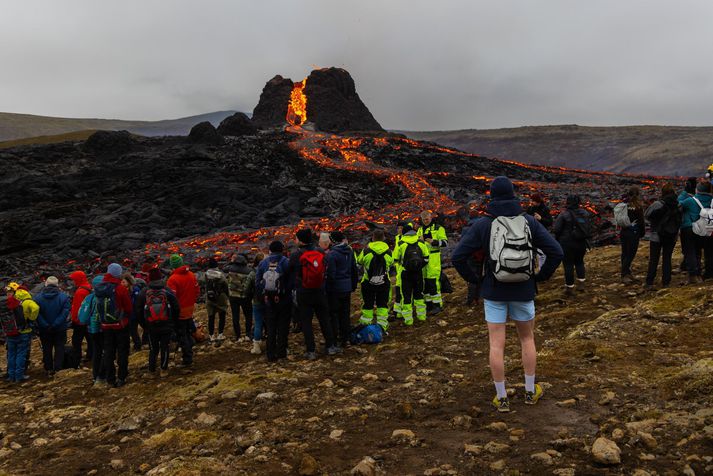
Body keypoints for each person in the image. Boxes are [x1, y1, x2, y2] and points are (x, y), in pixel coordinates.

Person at [452, 176, 563, 413]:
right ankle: (530, 391)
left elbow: (457, 256)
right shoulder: (530, 222)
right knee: (527, 339)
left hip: (494, 291)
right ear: (513, 194)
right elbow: (556, 251)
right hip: (524, 289)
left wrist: (476, 280)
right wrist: (539, 277)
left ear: (492, 196)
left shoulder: (484, 224)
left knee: (496, 345)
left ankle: (501, 397)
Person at [287, 229, 340, 360]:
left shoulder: (296, 255)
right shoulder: (320, 251)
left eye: (296, 238)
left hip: (303, 292)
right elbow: (326, 268)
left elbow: (290, 273)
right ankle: (330, 346)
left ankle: (311, 351)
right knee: (324, 319)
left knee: (306, 322)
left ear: (300, 240)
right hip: (320, 291)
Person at [135, 267, 180, 377]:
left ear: (149, 279)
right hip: (166, 324)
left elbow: (138, 310)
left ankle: (151, 371)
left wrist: (144, 325)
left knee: (153, 349)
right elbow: (176, 307)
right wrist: (173, 322)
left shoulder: (144, 292)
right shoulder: (167, 290)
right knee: (165, 347)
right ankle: (164, 370)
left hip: (151, 326)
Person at [95, 264, 133, 387]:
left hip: (106, 325)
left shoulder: (100, 287)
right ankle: (121, 377)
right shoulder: (120, 289)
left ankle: (110, 378)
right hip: (121, 325)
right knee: (122, 350)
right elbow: (128, 307)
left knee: (108, 351)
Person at [256, 241, 290, 361]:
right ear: (282, 250)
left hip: (268, 300)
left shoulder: (263, 263)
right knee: (283, 326)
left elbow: (258, 282)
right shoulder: (286, 261)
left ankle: (270, 353)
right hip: (284, 299)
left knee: (270, 326)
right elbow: (290, 280)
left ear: (270, 250)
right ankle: (281, 352)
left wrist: (264, 295)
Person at [645, 183, 682, 288]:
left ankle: (649, 282)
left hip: (656, 235)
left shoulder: (658, 204)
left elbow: (647, 215)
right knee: (667, 258)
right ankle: (666, 282)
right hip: (671, 235)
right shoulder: (678, 205)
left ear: (663, 192)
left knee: (654, 259)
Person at [392, 223, 430, 325]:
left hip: (406, 273)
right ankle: (421, 316)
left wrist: (402, 264)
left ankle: (408, 320)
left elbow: (395, 259)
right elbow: (426, 257)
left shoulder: (401, 243)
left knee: (406, 296)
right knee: (419, 295)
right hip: (418, 273)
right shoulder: (421, 242)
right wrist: (419, 266)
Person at [553, 195, 591, 295]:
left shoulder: (564, 214)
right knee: (579, 262)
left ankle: (570, 288)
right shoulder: (585, 213)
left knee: (568, 264)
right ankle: (581, 283)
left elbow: (557, 229)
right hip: (581, 242)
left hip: (567, 243)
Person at [357, 229, 394, 331]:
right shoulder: (389, 252)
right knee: (382, 304)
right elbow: (391, 263)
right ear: (383, 239)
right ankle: (382, 326)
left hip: (368, 283)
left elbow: (359, 262)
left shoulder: (366, 251)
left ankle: (365, 324)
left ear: (372, 238)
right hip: (383, 282)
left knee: (367, 304)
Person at [166, 254, 200, 367]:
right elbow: (197, 290)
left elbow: (171, 298)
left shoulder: (172, 279)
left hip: (179, 311)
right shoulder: (191, 274)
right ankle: (191, 344)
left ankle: (187, 359)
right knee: (187, 329)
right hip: (190, 308)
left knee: (182, 334)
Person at [34, 276, 71, 377]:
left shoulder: (37, 298)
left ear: (46, 284)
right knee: (59, 347)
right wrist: (55, 324)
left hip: (44, 329)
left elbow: (37, 314)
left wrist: (45, 325)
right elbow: (64, 313)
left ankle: (48, 368)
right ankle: (58, 369)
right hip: (60, 328)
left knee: (47, 349)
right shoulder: (64, 297)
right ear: (57, 285)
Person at [326, 231, 358, 347]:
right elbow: (354, 269)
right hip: (347, 287)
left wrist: (328, 288)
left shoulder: (332, 254)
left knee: (334, 314)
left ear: (333, 240)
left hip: (336, 289)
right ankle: (346, 338)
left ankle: (335, 339)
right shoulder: (349, 251)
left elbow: (331, 274)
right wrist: (353, 285)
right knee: (345, 313)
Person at [3, 283, 38, 382]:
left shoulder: (4, 304)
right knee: (21, 354)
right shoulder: (17, 303)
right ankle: (19, 376)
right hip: (22, 332)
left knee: (11, 354)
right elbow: (34, 310)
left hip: (9, 333)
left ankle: (10, 375)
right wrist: (31, 320)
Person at [680, 181, 713, 283]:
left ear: (697, 190)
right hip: (710, 230)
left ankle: (694, 274)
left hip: (694, 229)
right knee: (710, 252)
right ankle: (709, 274)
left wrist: (684, 193)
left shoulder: (690, 201)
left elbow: (678, 204)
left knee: (692, 252)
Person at [417, 210, 448, 315]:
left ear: (431, 218)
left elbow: (445, 243)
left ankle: (437, 305)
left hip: (434, 257)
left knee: (433, 282)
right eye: (423, 219)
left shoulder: (438, 228)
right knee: (424, 282)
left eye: (427, 219)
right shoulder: (420, 229)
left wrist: (433, 241)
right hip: (423, 258)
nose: (425, 221)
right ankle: (428, 304)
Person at [77, 275, 106, 385]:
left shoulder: (89, 298)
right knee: (106, 352)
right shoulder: (107, 296)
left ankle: (95, 375)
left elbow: (82, 316)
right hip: (104, 329)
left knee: (96, 352)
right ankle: (103, 375)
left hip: (92, 330)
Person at [619, 186, 646, 283]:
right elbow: (641, 221)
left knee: (625, 253)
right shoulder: (638, 206)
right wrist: (642, 233)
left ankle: (627, 273)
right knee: (631, 254)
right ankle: (624, 274)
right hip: (633, 233)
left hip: (623, 232)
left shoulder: (624, 204)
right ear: (638, 194)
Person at [225, 255, 254, 342]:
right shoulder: (249, 271)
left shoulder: (230, 268)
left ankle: (238, 336)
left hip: (233, 296)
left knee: (235, 316)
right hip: (245, 296)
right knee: (248, 315)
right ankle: (248, 334)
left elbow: (223, 268)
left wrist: (231, 261)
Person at [68, 271, 93, 362]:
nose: (73, 282)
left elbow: (77, 307)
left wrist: (74, 319)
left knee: (76, 340)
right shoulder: (89, 287)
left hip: (80, 321)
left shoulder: (80, 292)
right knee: (89, 338)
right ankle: (91, 355)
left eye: (74, 279)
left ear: (78, 279)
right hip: (88, 319)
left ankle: (77, 358)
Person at [204, 258, 230, 343]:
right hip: (220, 297)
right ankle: (220, 334)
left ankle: (211, 336)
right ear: (216, 265)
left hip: (210, 297)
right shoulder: (220, 274)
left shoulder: (206, 274)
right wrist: (228, 296)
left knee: (211, 317)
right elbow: (226, 284)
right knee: (222, 315)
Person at [677, 177, 698, 273]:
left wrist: (685, 192)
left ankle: (692, 271)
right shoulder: (700, 197)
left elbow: (678, 204)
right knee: (696, 249)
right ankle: (689, 266)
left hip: (687, 226)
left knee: (688, 249)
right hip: (699, 226)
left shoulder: (688, 199)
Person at [250, 253, 265, 355]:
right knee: (270, 322)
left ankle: (257, 346)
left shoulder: (252, 273)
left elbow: (247, 288)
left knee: (258, 323)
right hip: (269, 300)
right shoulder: (268, 271)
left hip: (256, 300)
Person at [392, 222, 406, 319]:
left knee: (402, 290)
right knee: (398, 289)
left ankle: (399, 312)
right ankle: (397, 311)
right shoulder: (397, 238)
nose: (399, 230)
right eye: (398, 228)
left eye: (401, 228)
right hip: (398, 268)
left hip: (405, 268)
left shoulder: (407, 239)